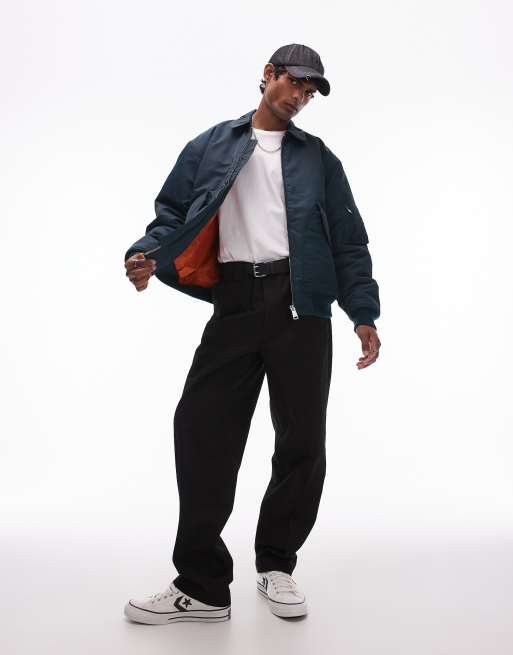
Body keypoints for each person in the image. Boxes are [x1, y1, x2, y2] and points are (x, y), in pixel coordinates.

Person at [123, 43, 381, 624]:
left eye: (310, 93)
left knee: (301, 442)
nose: (300, 98)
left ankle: (277, 565)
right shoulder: (212, 145)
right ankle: (203, 586)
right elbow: (171, 216)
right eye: (295, 84)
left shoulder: (319, 159)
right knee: (201, 431)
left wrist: (363, 313)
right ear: (268, 75)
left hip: (303, 307)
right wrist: (144, 254)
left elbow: (349, 242)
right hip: (236, 302)